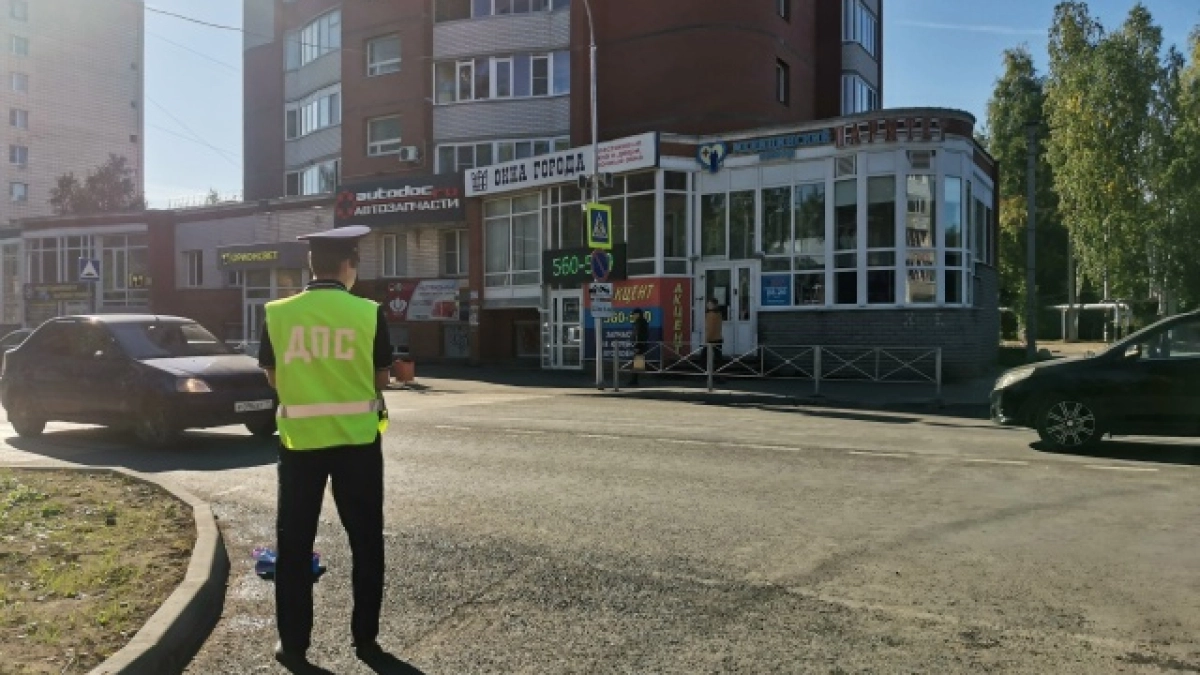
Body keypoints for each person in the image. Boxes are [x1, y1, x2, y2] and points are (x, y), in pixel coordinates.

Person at [257, 225, 395, 669]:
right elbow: (381, 379)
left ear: (311, 266)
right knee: (366, 542)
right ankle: (366, 639)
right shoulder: (369, 313)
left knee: (294, 546)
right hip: (357, 443)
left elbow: (273, 376)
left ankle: (293, 644)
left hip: (300, 446)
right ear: (348, 265)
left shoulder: (278, 313)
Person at [629, 308, 649, 386]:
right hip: (641, 345)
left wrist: (637, 345)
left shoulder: (640, 322)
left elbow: (638, 334)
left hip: (639, 345)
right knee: (637, 363)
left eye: (634, 315)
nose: (633, 316)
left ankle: (634, 380)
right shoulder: (642, 322)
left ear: (637, 314)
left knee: (637, 362)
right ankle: (634, 380)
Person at [704, 298, 724, 373]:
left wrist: (707, 339)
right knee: (718, 358)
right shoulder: (719, 314)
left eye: (710, 304)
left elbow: (711, 328)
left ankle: (707, 374)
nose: (708, 305)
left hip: (711, 339)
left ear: (714, 305)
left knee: (704, 357)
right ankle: (718, 375)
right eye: (708, 304)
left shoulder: (711, 315)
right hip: (718, 338)